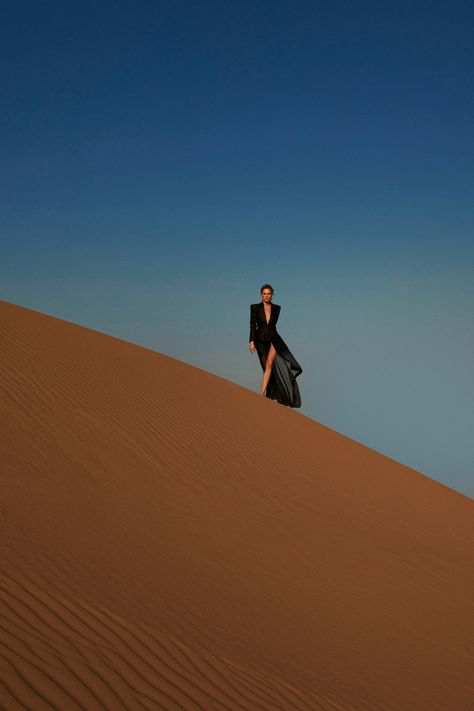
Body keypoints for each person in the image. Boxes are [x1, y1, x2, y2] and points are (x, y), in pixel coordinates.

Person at [249, 284, 302, 407]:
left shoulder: (277, 308)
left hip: (273, 338)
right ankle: (271, 393)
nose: (266, 296)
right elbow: (252, 324)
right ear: (261, 295)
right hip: (260, 339)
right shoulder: (255, 307)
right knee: (265, 366)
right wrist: (251, 341)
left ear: (272, 295)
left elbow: (272, 326)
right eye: (264, 293)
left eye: (269, 293)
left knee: (270, 364)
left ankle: (262, 392)